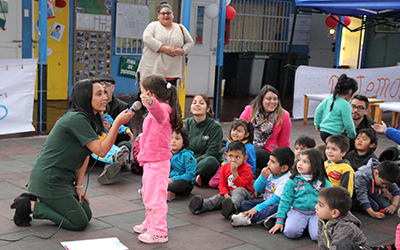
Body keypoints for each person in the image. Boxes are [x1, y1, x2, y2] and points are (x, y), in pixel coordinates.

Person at [10, 79, 134, 230]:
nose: (105, 97)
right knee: (79, 222)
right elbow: (101, 150)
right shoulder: (77, 118)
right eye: (99, 94)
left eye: (105, 93)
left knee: (86, 214)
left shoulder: (89, 119)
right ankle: (29, 206)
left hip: (65, 180)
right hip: (49, 180)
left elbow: (86, 154)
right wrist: (117, 124)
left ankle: (41, 200)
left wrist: (79, 186)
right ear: (85, 97)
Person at [132, 75, 182, 243]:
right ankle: (150, 222)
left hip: (158, 161)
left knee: (155, 197)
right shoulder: (159, 109)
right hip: (151, 160)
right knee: (148, 194)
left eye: (142, 93)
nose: (140, 96)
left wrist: (150, 102)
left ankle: (159, 231)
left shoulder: (164, 109)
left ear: (150, 94)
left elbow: (157, 111)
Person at [269, 148, 331, 241]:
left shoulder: (323, 181)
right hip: (298, 211)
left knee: (317, 237)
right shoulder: (293, 181)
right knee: (291, 232)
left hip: (317, 213)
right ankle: (302, 224)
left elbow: (331, 199)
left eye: (305, 162)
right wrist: (280, 221)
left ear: (315, 165)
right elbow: (285, 201)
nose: (300, 164)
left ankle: (308, 226)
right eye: (299, 160)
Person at [188, 140, 254, 219]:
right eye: (230, 156)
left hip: (245, 194)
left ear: (245, 158)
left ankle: (232, 207)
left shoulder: (246, 168)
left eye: (237, 157)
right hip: (229, 193)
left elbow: (242, 185)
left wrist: (234, 173)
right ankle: (201, 205)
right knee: (217, 198)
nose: (233, 160)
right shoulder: (225, 167)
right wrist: (225, 194)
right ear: (226, 156)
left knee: (238, 190)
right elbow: (222, 184)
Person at [231, 147, 294, 227]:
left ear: (284, 168)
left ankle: (248, 219)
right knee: (244, 204)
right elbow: (257, 189)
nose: (268, 164)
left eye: (273, 162)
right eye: (269, 160)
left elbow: (275, 200)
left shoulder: (286, 180)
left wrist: (256, 209)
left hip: (279, 205)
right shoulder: (271, 173)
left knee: (275, 207)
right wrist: (263, 177)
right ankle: (265, 219)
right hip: (266, 202)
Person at [136, 1, 194, 87]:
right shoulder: (153, 26)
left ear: (173, 14)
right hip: (152, 72)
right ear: (158, 15)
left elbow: (190, 43)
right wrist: (164, 49)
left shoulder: (180, 28)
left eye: (168, 13)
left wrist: (181, 51)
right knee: (149, 97)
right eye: (163, 13)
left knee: (168, 97)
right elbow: (147, 38)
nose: (166, 15)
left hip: (172, 73)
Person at [239, 85, 292, 176]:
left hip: (269, 154)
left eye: (275, 99)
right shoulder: (249, 111)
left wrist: (286, 159)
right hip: (248, 147)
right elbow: (238, 131)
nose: (272, 102)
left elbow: (284, 142)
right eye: (269, 99)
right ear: (261, 100)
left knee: (259, 153)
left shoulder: (284, 116)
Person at [184, 94, 223, 186]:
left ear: (207, 109)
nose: (197, 105)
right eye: (194, 103)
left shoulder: (215, 127)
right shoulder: (186, 124)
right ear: (190, 107)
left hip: (203, 161)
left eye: (201, 103)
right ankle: (192, 177)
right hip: (187, 160)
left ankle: (185, 176)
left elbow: (212, 152)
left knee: (211, 161)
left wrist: (192, 162)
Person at [209, 119, 256, 188]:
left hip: (241, 171)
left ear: (246, 134)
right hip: (227, 167)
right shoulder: (229, 143)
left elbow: (252, 164)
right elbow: (226, 158)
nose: (235, 133)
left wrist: (249, 176)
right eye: (233, 130)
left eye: (239, 131)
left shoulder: (250, 148)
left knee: (240, 185)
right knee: (213, 183)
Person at [314, 74, 358, 142]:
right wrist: (353, 135)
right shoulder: (346, 105)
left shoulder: (329, 98)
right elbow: (348, 123)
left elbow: (318, 111)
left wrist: (317, 124)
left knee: (329, 148)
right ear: (350, 92)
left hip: (323, 132)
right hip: (334, 134)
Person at [93, 113, 132, 185]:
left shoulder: (106, 117)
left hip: (107, 141)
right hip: (96, 144)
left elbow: (117, 124)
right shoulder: (89, 118)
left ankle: (120, 154)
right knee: (104, 153)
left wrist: (126, 130)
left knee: (114, 149)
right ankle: (116, 159)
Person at [168, 128, 197, 201]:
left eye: (177, 139)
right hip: (169, 180)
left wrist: (173, 179)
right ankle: (167, 193)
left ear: (183, 142)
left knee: (176, 185)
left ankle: (159, 191)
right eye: (171, 138)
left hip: (183, 182)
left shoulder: (187, 156)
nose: (173, 141)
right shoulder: (167, 154)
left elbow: (189, 175)